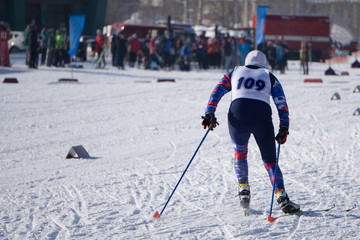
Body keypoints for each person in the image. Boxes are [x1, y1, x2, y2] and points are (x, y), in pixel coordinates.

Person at [201, 50, 300, 214]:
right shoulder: (269, 76)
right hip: (262, 116)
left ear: (246, 62)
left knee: (240, 152)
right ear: (264, 64)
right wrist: (284, 127)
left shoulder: (235, 71)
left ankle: (243, 190)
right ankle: (282, 197)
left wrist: (210, 112)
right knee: (270, 161)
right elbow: (281, 103)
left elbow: (217, 90)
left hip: (237, 115)